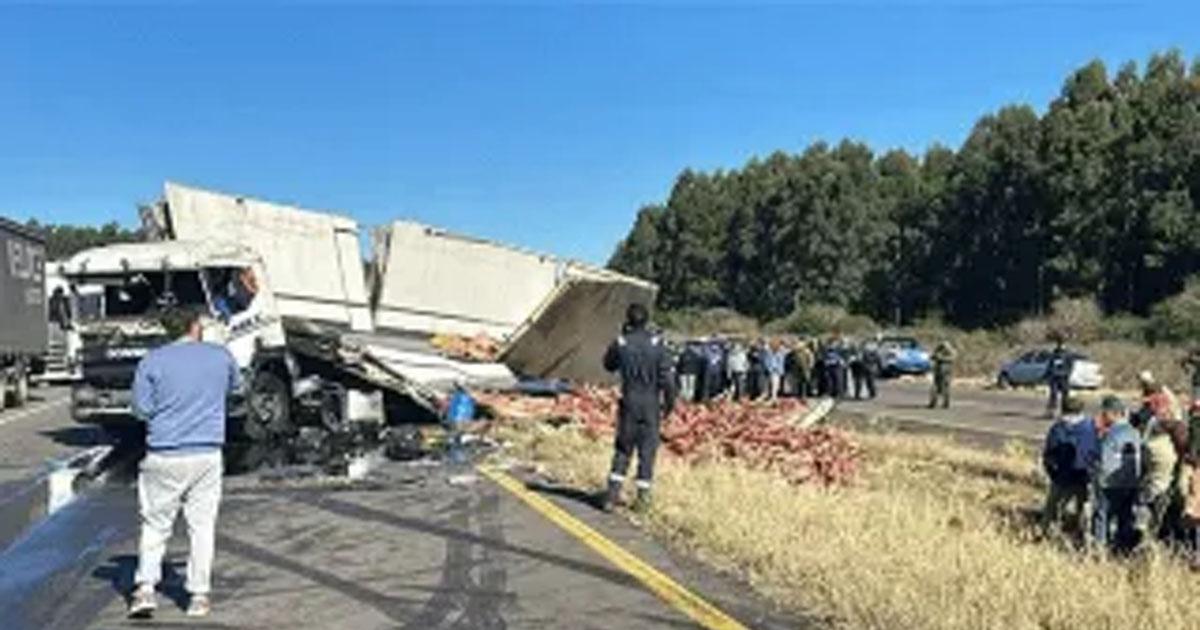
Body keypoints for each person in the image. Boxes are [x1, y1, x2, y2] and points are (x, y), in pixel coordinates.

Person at [127, 307, 241, 619]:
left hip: (164, 453)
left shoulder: (151, 361)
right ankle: (198, 596)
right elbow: (236, 390)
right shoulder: (220, 356)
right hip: (206, 453)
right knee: (202, 526)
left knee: (156, 524)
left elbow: (140, 409)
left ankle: (145, 590)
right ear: (195, 326)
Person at [601, 304, 677, 513]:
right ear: (647, 321)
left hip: (629, 401)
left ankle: (611, 495)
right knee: (647, 451)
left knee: (623, 449)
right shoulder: (658, 344)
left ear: (628, 320)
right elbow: (668, 379)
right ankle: (642, 499)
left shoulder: (621, 342)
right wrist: (670, 404)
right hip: (651, 403)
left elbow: (608, 365)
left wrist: (622, 342)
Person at [1041, 396, 1099, 538]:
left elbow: (1049, 455)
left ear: (1064, 409)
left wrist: (1053, 474)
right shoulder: (1091, 427)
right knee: (1085, 507)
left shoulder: (1057, 429)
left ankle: (1048, 533)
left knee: (1053, 508)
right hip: (1085, 475)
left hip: (1062, 476)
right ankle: (1084, 534)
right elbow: (1097, 450)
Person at [1091, 395, 1141, 553]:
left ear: (1111, 413)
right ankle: (1123, 548)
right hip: (1132, 483)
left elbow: (1104, 462)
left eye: (1104, 413)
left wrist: (1095, 476)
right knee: (1125, 517)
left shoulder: (1111, 434)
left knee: (1102, 516)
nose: (1102, 416)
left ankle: (1100, 549)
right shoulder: (1135, 433)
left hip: (1110, 484)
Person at [1045, 342, 1073, 419]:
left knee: (1065, 395)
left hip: (1063, 377)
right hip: (1054, 377)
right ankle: (1051, 412)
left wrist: (1067, 373)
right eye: (1059, 345)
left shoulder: (1067, 354)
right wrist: (1049, 375)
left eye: (1062, 345)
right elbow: (1050, 365)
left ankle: (1065, 412)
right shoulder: (1054, 354)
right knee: (1053, 394)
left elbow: (1070, 365)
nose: (1061, 347)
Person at [929, 340, 956, 409]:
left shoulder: (950, 351)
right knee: (935, 386)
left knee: (946, 386)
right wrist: (935, 356)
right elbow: (932, 356)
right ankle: (934, 402)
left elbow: (952, 358)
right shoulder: (938, 350)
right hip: (938, 370)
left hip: (946, 370)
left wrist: (941, 358)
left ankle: (946, 402)